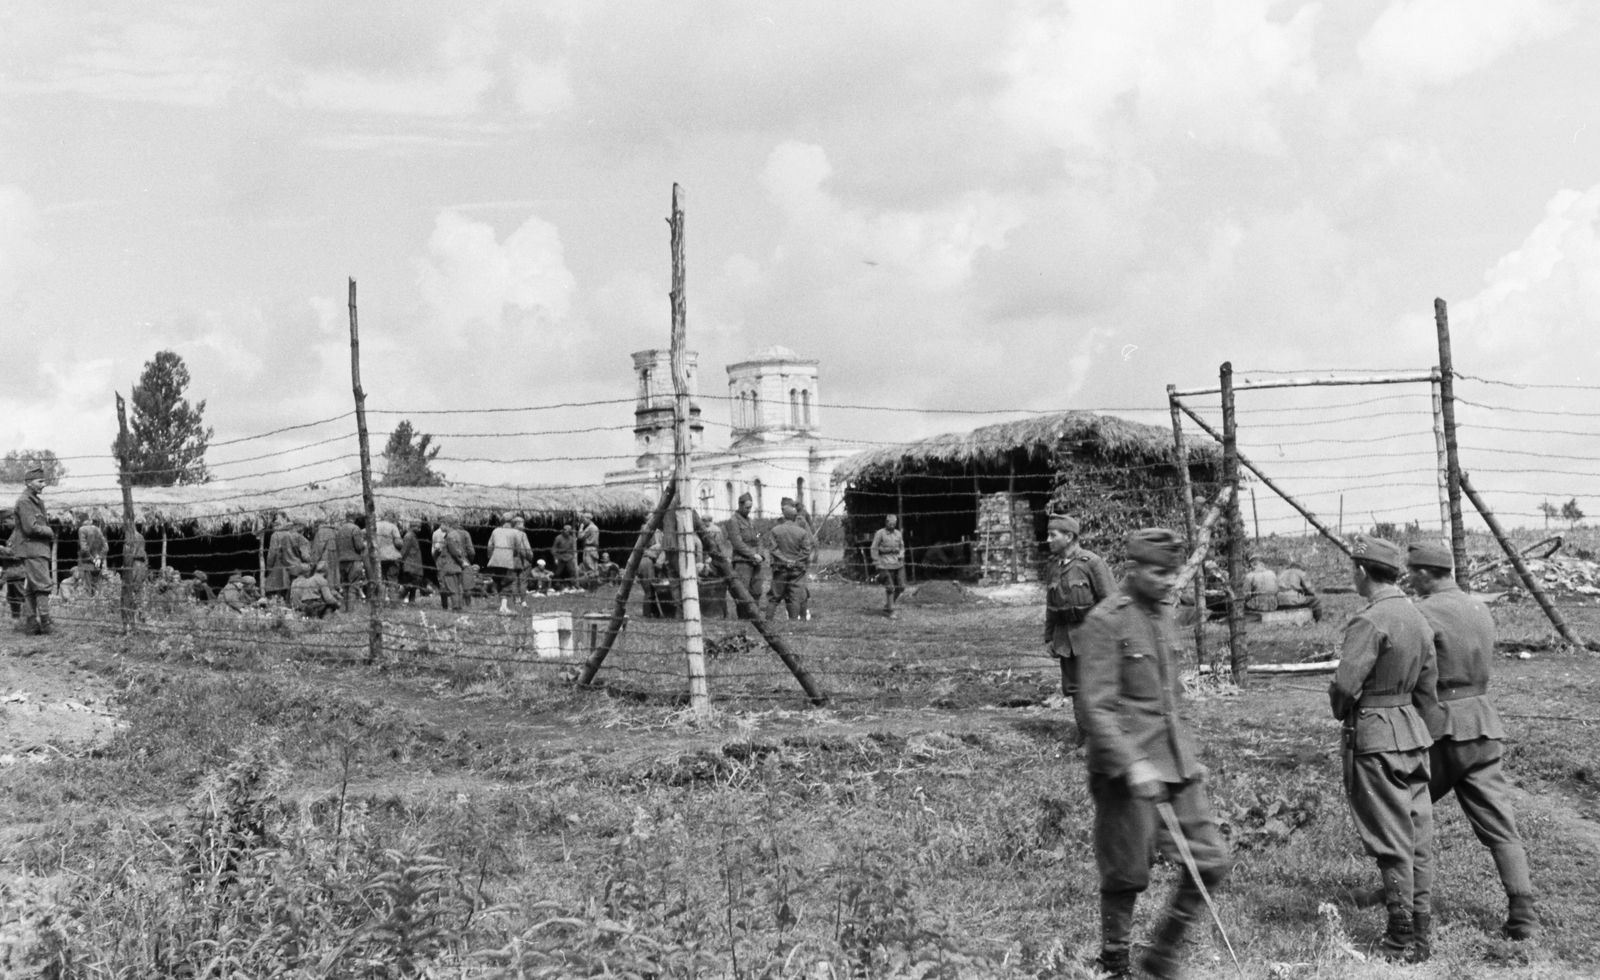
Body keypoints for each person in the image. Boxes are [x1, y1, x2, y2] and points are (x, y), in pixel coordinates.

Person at [1077, 528, 1234, 979]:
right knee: (1126, 871)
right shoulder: (1106, 621)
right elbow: (1095, 707)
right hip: (1128, 768)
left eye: (1173, 572)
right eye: (1158, 571)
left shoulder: (1164, 617)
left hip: (1175, 761)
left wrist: (1188, 754)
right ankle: (1115, 964)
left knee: (1212, 859)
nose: (1168, 581)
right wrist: (1132, 762)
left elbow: (1168, 698)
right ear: (1133, 568)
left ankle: (1162, 955)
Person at [1406, 541, 1538, 946]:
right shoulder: (1480, 608)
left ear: (1427, 573)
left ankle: (1403, 907)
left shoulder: (1421, 612)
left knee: (1406, 811)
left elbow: (1413, 669)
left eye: (1412, 572)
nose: (1408, 579)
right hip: (1483, 723)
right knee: (1500, 824)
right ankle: (1523, 913)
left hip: (1442, 728)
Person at [1330, 534, 1439, 962]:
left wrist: (1342, 707)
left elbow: (1344, 686)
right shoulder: (1417, 617)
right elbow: (1428, 686)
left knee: (1392, 841)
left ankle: (1400, 939)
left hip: (1374, 737)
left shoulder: (1370, 621)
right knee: (1418, 839)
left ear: (1361, 572)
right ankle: (1422, 933)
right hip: (1412, 733)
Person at [1043, 515, 1115, 704]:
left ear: (1068, 536)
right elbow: (1051, 606)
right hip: (1065, 640)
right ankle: (1083, 731)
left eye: (1052, 535)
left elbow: (1110, 602)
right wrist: (1050, 637)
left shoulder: (1091, 563)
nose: (1048, 540)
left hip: (1092, 638)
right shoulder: (1052, 567)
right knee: (1074, 689)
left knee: (1097, 688)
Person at [9, 468, 56, 635]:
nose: (44, 484)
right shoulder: (25, 501)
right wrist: (49, 531)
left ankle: (31, 624)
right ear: (29, 483)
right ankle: (46, 623)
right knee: (42, 585)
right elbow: (30, 527)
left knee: (32, 587)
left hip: (36, 548)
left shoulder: (35, 500)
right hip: (33, 548)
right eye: (40, 481)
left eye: (43, 481)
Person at [764, 498, 813, 621]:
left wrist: (785, 560)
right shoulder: (802, 532)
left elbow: (773, 549)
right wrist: (796, 561)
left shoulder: (775, 530)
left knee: (774, 597)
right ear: (795, 517)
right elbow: (807, 550)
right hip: (797, 569)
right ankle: (793, 621)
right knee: (795, 597)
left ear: (784, 516)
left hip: (780, 568)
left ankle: (768, 620)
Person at [726, 492, 764, 620]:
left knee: (757, 590)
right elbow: (737, 543)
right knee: (743, 591)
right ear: (740, 505)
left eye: (750, 507)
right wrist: (753, 555)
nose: (749, 510)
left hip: (756, 561)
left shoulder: (751, 522)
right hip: (742, 562)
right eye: (747, 507)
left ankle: (754, 617)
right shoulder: (733, 521)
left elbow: (758, 537)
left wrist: (761, 554)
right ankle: (743, 618)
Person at [264, 519, 311, 605]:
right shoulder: (301, 538)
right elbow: (305, 556)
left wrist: (269, 566)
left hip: (284, 566)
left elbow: (274, 553)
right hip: (299, 567)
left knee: (280, 591)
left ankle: (286, 605)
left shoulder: (279, 536)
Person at [870, 514, 907, 619]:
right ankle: (890, 610)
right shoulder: (880, 533)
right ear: (886, 522)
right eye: (890, 524)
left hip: (897, 564)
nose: (892, 526)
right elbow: (874, 548)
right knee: (890, 587)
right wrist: (876, 562)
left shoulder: (898, 534)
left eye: (894, 524)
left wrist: (901, 554)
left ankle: (888, 605)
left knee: (901, 587)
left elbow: (902, 546)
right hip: (884, 564)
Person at [334, 513, 367, 608]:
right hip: (353, 560)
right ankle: (351, 610)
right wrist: (364, 544)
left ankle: (344, 608)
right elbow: (359, 546)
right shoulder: (355, 529)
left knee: (344, 585)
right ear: (355, 518)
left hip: (341, 560)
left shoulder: (339, 529)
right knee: (353, 585)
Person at [486, 517, 522, 596]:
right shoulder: (515, 532)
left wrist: (490, 557)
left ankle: (496, 596)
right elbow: (518, 548)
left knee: (497, 580)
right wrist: (514, 555)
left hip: (495, 560)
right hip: (507, 560)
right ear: (512, 522)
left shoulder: (495, 530)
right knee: (507, 582)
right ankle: (503, 604)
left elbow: (490, 546)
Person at [373, 512, 404, 600]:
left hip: (379, 556)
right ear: (392, 517)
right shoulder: (393, 526)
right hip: (392, 556)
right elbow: (398, 542)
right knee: (392, 580)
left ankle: (381, 601)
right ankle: (393, 603)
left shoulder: (375, 525)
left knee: (381, 580)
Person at [76, 518, 108, 597]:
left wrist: (93, 559)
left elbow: (84, 549)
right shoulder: (98, 530)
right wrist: (99, 559)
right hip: (97, 566)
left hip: (86, 565)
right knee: (97, 592)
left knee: (87, 592)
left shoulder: (82, 529)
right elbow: (106, 547)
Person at [399, 521, 425, 603]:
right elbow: (404, 551)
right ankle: (397, 600)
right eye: (418, 527)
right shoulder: (409, 536)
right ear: (412, 526)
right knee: (410, 585)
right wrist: (400, 561)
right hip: (410, 565)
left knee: (413, 586)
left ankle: (411, 603)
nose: (420, 529)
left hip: (414, 565)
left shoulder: (413, 536)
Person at [552, 523, 579, 592]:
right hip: (560, 557)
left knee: (572, 571)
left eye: (569, 531)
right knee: (557, 573)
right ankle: (556, 586)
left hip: (569, 557)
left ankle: (573, 585)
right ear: (563, 530)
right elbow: (554, 549)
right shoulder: (558, 538)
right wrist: (555, 558)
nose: (567, 532)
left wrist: (573, 556)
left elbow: (573, 548)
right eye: (566, 530)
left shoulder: (571, 538)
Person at [578, 512, 601, 581]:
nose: (583, 521)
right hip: (594, 548)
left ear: (588, 519)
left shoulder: (590, 528)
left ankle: (592, 585)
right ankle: (596, 583)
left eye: (584, 519)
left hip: (588, 548)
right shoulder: (595, 527)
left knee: (589, 566)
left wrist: (581, 527)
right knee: (594, 567)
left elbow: (580, 537)